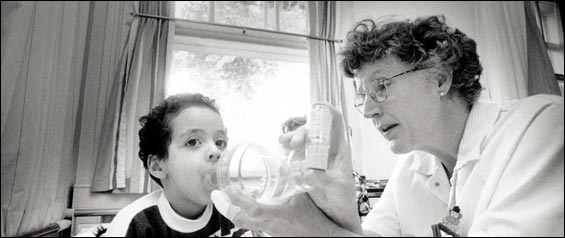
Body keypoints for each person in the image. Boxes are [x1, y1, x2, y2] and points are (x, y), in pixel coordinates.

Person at [212, 15, 564, 237]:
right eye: (362, 94)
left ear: (440, 79)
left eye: (381, 86)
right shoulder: (412, 168)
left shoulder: (541, 128)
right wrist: (336, 203)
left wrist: (312, 229)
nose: (366, 111)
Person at [103, 93, 248, 237]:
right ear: (158, 167)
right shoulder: (135, 224)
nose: (216, 152)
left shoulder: (232, 213)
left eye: (220, 142)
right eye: (193, 142)